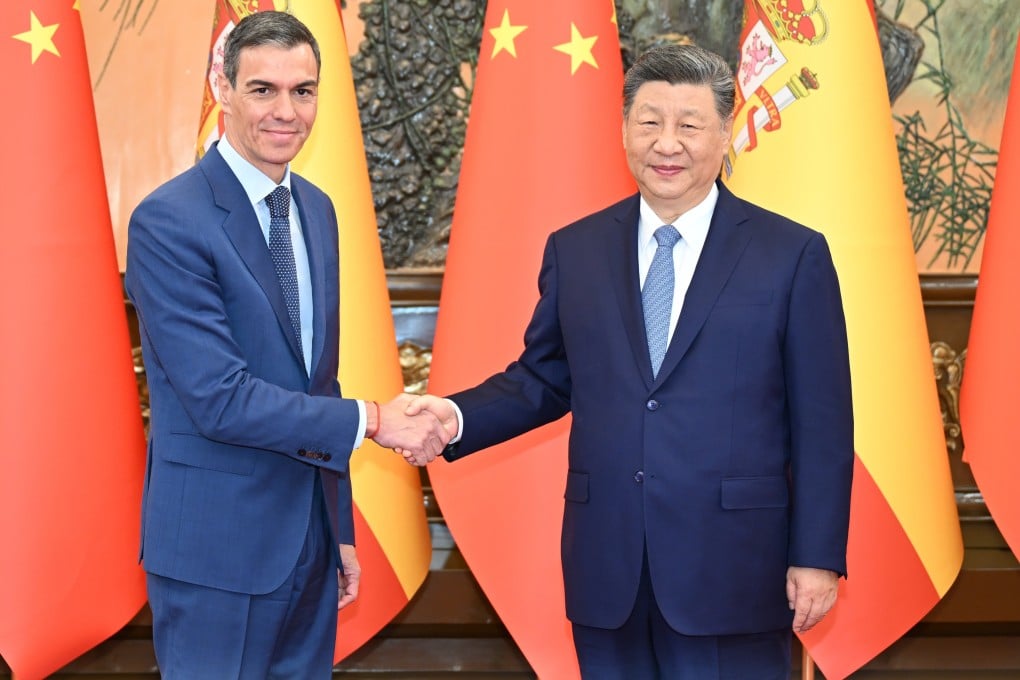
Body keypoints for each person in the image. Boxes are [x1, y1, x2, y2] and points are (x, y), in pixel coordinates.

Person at [405, 43, 854, 679]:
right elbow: (543, 377)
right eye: (649, 122)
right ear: (623, 129)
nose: (667, 143)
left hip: (732, 569)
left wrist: (816, 556)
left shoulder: (792, 255)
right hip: (608, 568)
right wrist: (451, 417)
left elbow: (823, 424)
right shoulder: (577, 249)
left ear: (726, 134)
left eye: (690, 125)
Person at [124, 11, 449, 678]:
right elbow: (221, 399)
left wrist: (339, 532)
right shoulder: (169, 220)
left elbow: (315, 383)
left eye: (303, 90)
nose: (286, 111)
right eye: (263, 89)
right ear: (223, 86)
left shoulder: (317, 210)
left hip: (307, 542)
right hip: (216, 550)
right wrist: (378, 420)